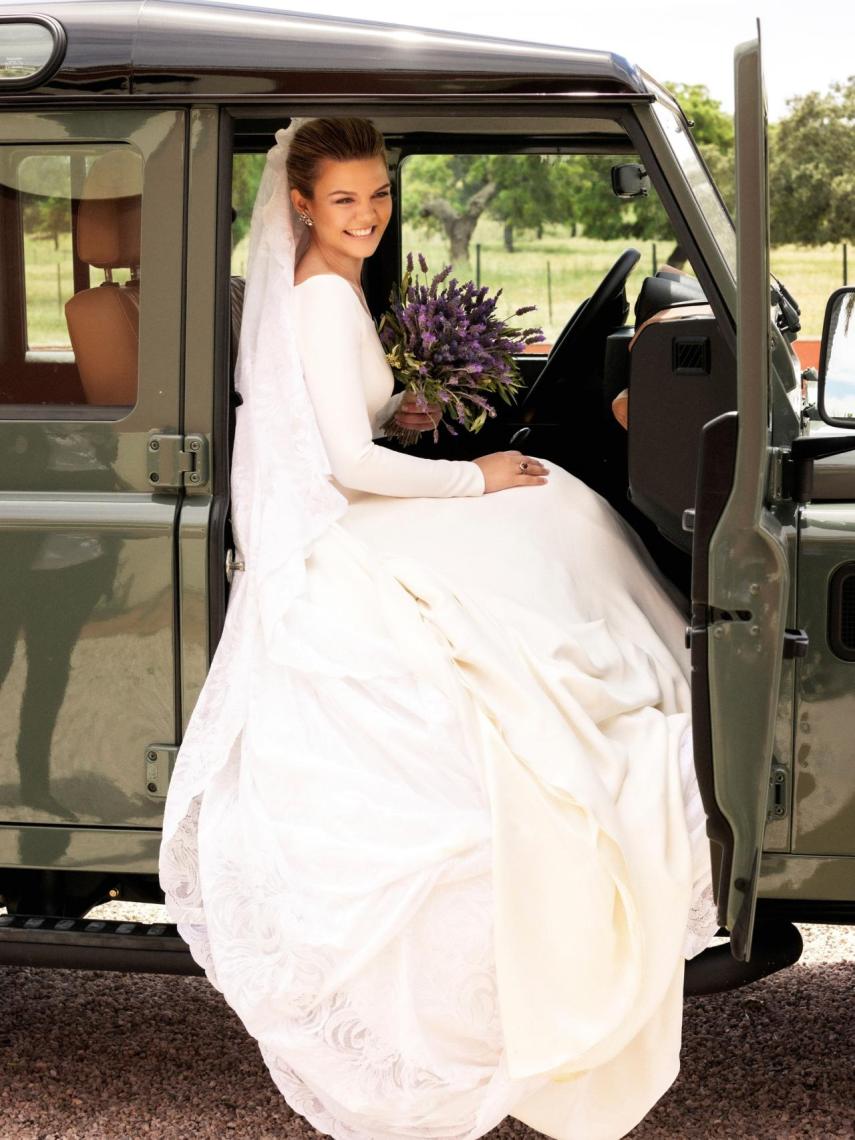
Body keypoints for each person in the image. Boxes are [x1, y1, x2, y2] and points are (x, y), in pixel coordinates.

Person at [159, 116, 719, 1140]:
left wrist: (414, 417)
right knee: (543, 509)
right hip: (338, 533)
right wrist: (474, 472)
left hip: (353, 505)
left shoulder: (333, 292)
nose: (367, 217)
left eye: (378, 196)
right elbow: (343, 466)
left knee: (552, 511)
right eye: (345, 201)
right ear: (301, 205)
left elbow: (351, 427)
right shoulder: (325, 298)